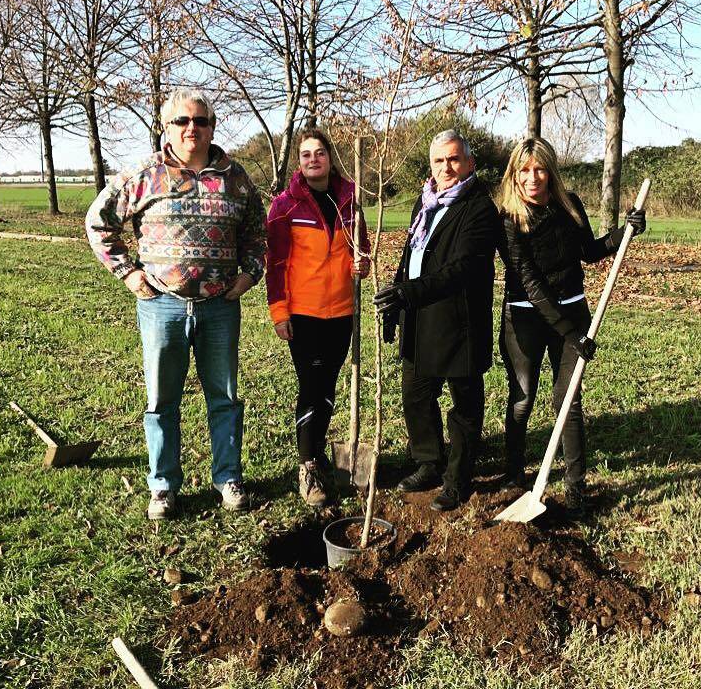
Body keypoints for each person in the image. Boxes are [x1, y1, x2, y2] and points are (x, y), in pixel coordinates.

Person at [86, 88, 266, 520]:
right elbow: (99, 221)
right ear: (166, 127)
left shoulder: (235, 177)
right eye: (182, 121)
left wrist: (249, 273)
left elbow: (257, 233)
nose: (191, 129)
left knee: (223, 396)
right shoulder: (145, 174)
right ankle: (163, 485)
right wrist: (127, 271)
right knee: (162, 400)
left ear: (212, 127)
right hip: (161, 306)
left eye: (200, 121)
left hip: (219, 307)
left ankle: (228, 478)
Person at [496, 136, 645, 516]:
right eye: (525, 170)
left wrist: (622, 233)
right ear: (514, 174)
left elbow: (588, 252)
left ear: (551, 171)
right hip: (526, 317)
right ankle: (514, 473)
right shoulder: (509, 219)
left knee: (569, 401)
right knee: (523, 397)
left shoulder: (568, 204)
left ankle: (576, 487)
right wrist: (569, 332)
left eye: (540, 168)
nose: (533, 178)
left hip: (573, 310)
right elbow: (529, 282)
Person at [373, 130, 497, 512]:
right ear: (431, 165)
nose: (447, 167)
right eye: (440, 160)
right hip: (420, 316)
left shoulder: (478, 208)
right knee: (416, 394)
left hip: (459, 321)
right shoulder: (423, 203)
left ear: (470, 163)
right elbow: (411, 256)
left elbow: (465, 268)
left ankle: (458, 479)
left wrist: (408, 293)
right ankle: (428, 462)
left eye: (454, 159)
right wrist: (395, 304)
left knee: (464, 405)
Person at [266, 128, 370, 508]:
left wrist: (363, 263)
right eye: (306, 154)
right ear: (299, 162)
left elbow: (363, 249)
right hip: (303, 314)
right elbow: (275, 265)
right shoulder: (285, 206)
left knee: (327, 386)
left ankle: (318, 451)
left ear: (330, 157)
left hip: (341, 312)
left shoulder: (349, 199)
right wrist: (279, 312)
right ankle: (307, 465)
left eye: (320, 153)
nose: (313, 159)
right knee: (311, 386)